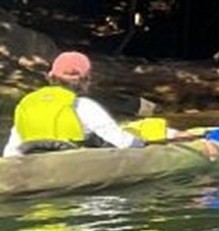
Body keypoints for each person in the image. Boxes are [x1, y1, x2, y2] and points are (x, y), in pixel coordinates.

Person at [2, 51, 146, 157]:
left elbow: (11, 152)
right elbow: (123, 142)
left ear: (51, 77)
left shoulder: (27, 103)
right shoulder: (83, 106)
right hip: (69, 166)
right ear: (86, 80)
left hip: (30, 164)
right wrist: (142, 144)